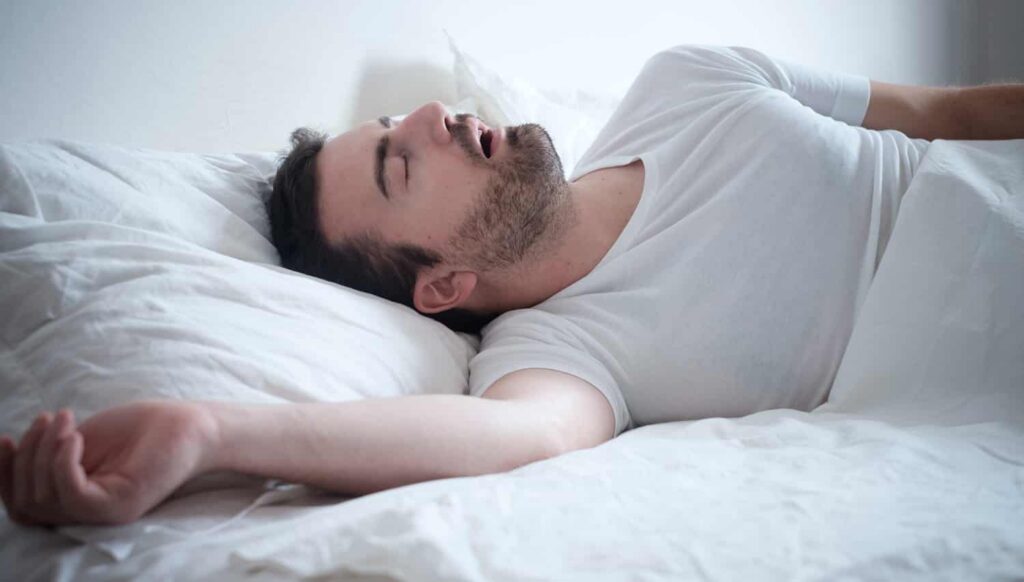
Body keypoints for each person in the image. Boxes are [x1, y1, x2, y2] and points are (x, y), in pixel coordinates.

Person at [2, 45, 1022, 527]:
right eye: (404, 165)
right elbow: (505, 442)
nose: (439, 115)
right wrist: (209, 435)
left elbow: (949, 109)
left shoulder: (692, 81)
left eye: (405, 120)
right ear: (443, 285)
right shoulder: (559, 357)